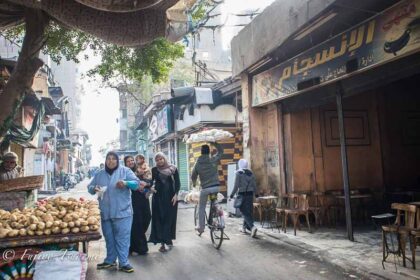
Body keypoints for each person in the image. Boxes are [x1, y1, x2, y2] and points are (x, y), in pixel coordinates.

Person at [88, 151, 143, 273]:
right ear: (105, 160)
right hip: (106, 212)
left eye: (114, 159)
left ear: (118, 161)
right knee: (109, 238)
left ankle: (124, 263)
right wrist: (94, 188)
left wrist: (125, 183)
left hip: (122, 212)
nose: (111, 161)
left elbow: (137, 184)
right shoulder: (99, 174)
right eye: (108, 158)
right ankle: (110, 260)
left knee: (122, 238)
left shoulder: (125, 171)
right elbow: (90, 188)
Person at [149, 152, 180, 253]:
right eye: (157, 160)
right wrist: (150, 187)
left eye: (161, 159)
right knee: (158, 219)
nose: (159, 161)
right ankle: (162, 243)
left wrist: (176, 194)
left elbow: (178, 183)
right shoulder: (154, 170)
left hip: (170, 198)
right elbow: (150, 182)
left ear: (164, 158)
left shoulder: (173, 169)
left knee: (169, 219)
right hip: (157, 198)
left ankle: (168, 240)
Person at [191, 142, 223, 234]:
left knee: (202, 207)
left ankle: (201, 228)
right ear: (209, 152)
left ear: (201, 152)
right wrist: (214, 142)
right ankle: (216, 208)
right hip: (216, 187)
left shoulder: (198, 163)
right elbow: (221, 151)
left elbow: (193, 176)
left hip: (205, 189)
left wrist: (194, 184)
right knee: (213, 201)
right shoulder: (213, 159)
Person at [123, 155, 151, 256]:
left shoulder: (141, 170)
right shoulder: (124, 173)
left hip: (144, 198)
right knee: (137, 223)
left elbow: (150, 181)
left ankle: (134, 243)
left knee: (147, 217)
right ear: (125, 164)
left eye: (132, 160)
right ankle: (138, 248)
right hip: (132, 200)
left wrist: (146, 184)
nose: (131, 162)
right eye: (128, 161)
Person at [229, 159, 258, 237]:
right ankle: (244, 228)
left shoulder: (239, 173)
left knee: (243, 211)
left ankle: (252, 227)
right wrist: (257, 193)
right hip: (250, 194)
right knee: (248, 211)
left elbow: (236, 186)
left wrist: (231, 195)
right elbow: (254, 185)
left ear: (240, 165)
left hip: (242, 194)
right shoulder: (251, 173)